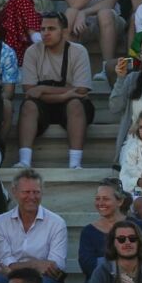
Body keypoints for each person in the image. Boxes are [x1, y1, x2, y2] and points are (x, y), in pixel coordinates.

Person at [15, 15, 94, 171]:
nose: (45, 33)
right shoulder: (32, 51)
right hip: (42, 107)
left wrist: (43, 89)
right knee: (29, 106)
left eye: (51, 29)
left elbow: (81, 90)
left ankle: (75, 163)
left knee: (76, 104)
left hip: (71, 105)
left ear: (64, 31)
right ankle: (24, 161)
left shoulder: (78, 51)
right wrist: (63, 95)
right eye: (42, 29)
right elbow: (29, 91)